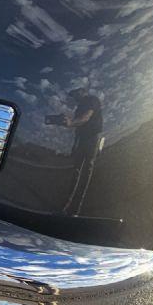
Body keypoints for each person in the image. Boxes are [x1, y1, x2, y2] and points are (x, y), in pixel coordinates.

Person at [58, 87, 104, 215]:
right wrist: (74, 144)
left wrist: (71, 122)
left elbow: (86, 117)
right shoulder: (79, 107)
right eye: (73, 95)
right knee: (77, 170)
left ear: (83, 92)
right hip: (82, 139)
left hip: (92, 138)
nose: (74, 97)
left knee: (86, 171)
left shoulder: (91, 100)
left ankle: (76, 209)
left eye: (76, 93)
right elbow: (79, 127)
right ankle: (65, 205)